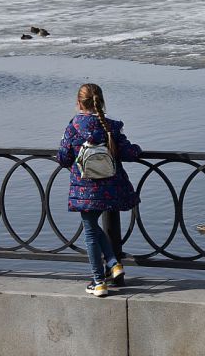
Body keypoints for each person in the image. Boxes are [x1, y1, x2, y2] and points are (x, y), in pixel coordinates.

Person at [56, 83, 142, 297]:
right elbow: (129, 153)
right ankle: (114, 264)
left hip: (85, 189)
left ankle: (98, 281)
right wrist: (138, 150)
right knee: (93, 227)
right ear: (101, 102)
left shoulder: (74, 126)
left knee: (90, 233)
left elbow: (63, 157)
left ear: (78, 103)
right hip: (110, 187)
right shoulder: (110, 126)